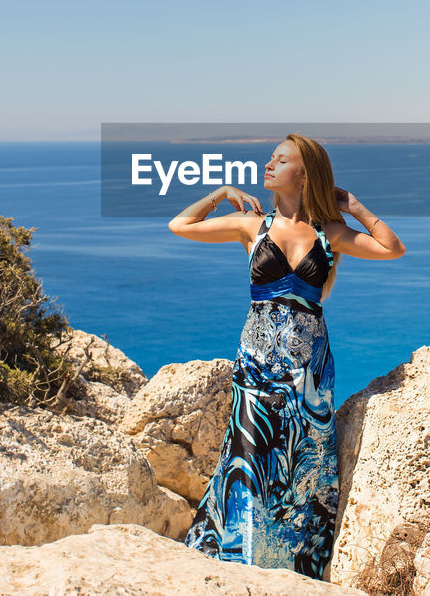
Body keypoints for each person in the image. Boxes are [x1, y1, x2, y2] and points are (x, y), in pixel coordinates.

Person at [168, 133, 405, 580]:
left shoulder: (328, 233)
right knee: (249, 458)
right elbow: (180, 225)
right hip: (257, 364)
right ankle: (240, 562)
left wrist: (355, 207)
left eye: (282, 160)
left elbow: (392, 247)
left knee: (303, 469)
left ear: (305, 173)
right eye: (270, 158)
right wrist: (220, 194)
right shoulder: (250, 225)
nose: (269, 165)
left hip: (309, 371)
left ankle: (294, 571)